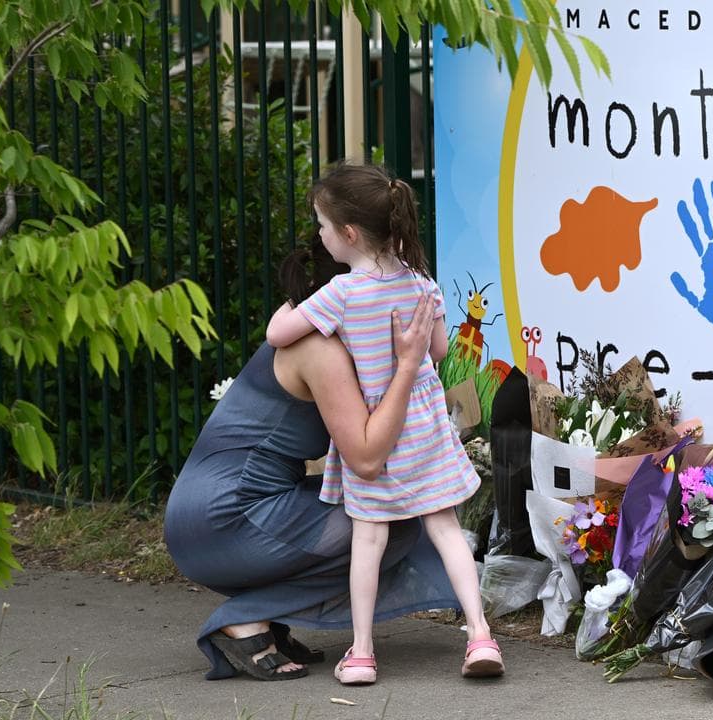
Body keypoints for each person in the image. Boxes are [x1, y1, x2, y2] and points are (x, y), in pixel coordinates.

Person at [164, 240, 458, 682]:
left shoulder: (325, 329)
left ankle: (259, 619)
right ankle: (244, 618)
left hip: (225, 507)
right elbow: (366, 458)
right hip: (225, 515)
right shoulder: (322, 349)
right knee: (391, 527)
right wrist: (407, 367)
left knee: (386, 524)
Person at [264, 163, 502, 684]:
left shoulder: (341, 294)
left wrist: (294, 300)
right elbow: (438, 351)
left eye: (323, 227)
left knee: (367, 540)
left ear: (348, 234)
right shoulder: (422, 283)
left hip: (378, 425)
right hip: (426, 426)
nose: (320, 236)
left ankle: (364, 651)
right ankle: (481, 635)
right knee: (446, 529)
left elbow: (278, 334)